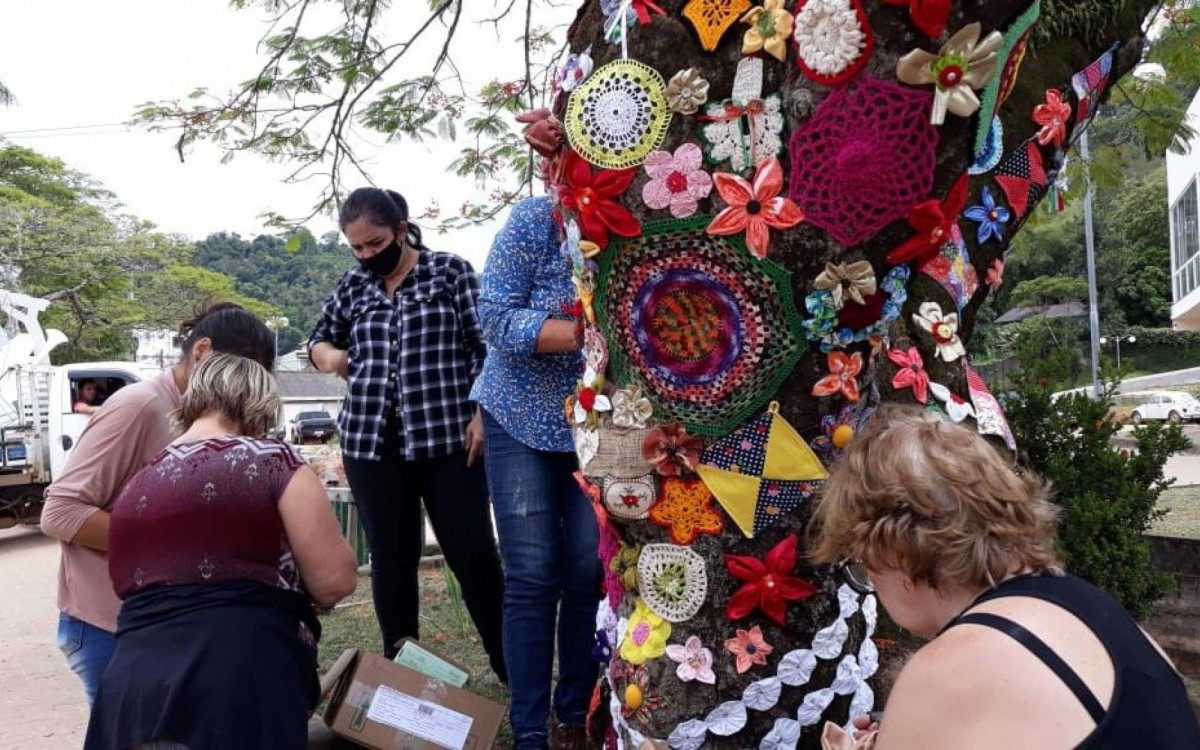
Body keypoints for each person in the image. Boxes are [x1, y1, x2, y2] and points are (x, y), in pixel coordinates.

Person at [809, 406, 1200, 749]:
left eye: (860, 562)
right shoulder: (1092, 608)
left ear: (893, 550)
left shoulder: (948, 671)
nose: (870, 580)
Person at [85, 353, 359, 749]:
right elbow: (335, 581)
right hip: (237, 681)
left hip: (131, 695)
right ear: (260, 405)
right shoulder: (273, 462)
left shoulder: (138, 484)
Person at [309, 187, 506, 679]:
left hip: (448, 443)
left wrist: (482, 412)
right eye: (356, 247)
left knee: (473, 555)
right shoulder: (353, 285)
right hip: (371, 444)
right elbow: (318, 340)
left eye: (375, 243)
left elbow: (485, 347)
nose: (366, 255)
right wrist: (332, 357)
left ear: (401, 230)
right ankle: (405, 681)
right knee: (392, 562)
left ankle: (513, 672)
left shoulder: (449, 273)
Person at [40, 303, 277, 705]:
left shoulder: (199, 417)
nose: (241, 392)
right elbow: (61, 512)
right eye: (236, 375)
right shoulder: (140, 406)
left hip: (162, 625)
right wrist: (176, 545)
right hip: (109, 628)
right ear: (202, 352)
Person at [471, 194, 601, 750]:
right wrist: (583, 331)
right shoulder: (535, 219)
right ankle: (529, 729)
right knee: (531, 574)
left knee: (588, 570)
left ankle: (572, 716)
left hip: (600, 421)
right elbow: (494, 316)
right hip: (519, 413)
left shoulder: (641, 221)